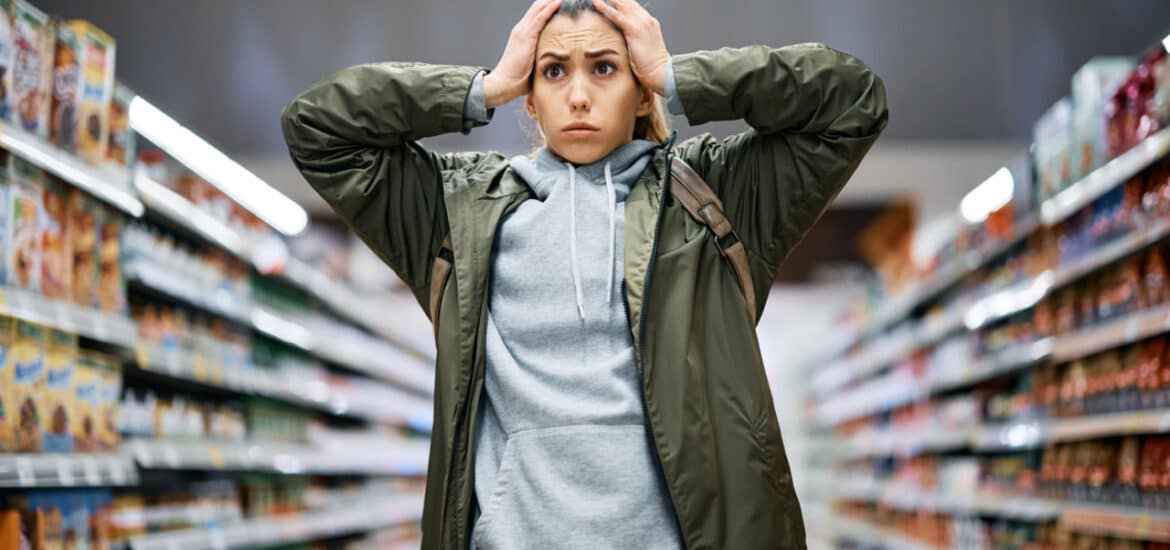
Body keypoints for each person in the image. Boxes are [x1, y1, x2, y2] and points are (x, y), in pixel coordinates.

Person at [281, 0, 888, 548]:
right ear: (529, 94)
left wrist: (680, 77)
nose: (577, 95)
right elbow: (316, 129)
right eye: (553, 71)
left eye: (604, 68)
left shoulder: (714, 197)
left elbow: (851, 101)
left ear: (641, 89)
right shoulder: (459, 212)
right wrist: (479, 89)